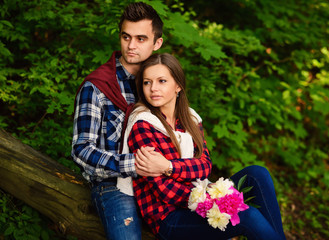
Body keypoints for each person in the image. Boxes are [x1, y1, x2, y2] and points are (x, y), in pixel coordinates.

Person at [122, 53, 286, 240]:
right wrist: (211, 200)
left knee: (257, 174)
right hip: (168, 217)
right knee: (247, 216)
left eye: (162, 81)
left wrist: (169, 167)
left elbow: (205, 165)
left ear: (178, 86)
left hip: (198, 196)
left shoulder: (190, 119)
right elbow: (162, 189)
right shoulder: (142, 124)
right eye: (147, 82)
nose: (153, 89)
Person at [72, 2, 170, 240]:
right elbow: (81, 149)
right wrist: (135, 165)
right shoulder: (97, 86)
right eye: (126, 37)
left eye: (140, 39)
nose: (131, 46)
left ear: (157, 43)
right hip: (113, 185)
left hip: (159, 181)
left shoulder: (160, 81)